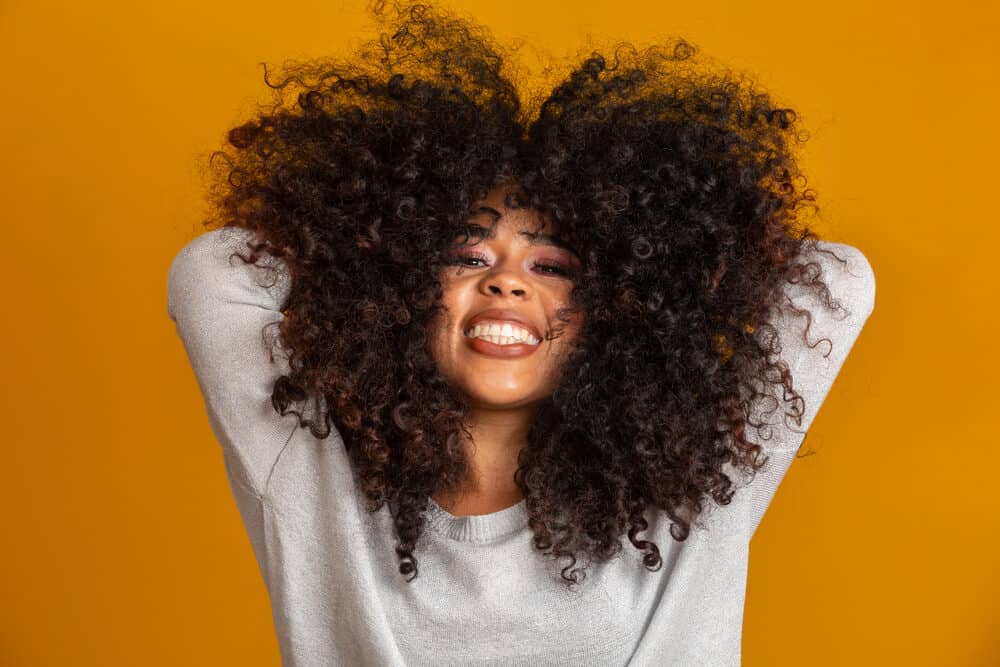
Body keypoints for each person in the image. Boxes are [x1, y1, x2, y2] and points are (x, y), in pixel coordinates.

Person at [166, 1, 876, 664]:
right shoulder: (308, 461)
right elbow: (211, 271)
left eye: (553, 265)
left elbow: (838, 280)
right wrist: (353, 240)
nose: (506, 281)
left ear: (619, 304)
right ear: (403, 286)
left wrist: (690, 259)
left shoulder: (693, 482)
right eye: (467, 255)